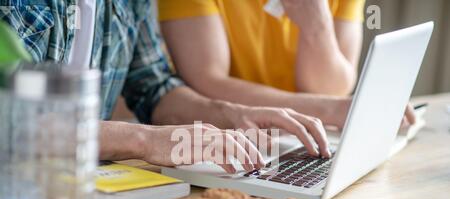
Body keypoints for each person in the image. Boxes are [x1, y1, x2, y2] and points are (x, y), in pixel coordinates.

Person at [0, 0, 333, 175]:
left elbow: (154, 86)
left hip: (85, 194)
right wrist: (144, 140)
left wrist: (233, 114)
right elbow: (13, 123)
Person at [158, 0, 416, 129]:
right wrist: (324, 110)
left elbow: (334, 89)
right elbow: (206, 81)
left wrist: (317, 26)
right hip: (222, 134)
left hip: (308, 137)